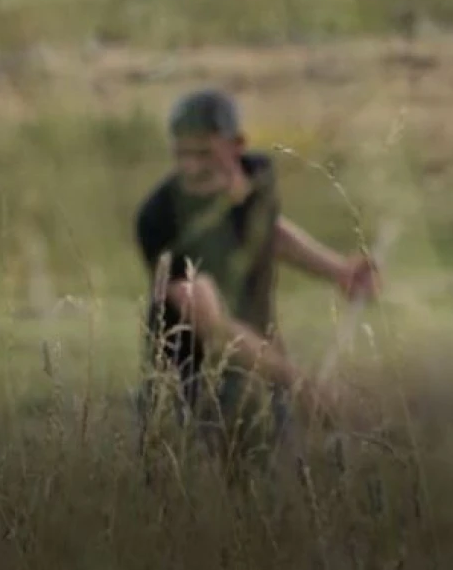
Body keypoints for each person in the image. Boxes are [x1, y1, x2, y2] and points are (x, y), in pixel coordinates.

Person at [133, 89, 379, 475]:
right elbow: (211, 327)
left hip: (263, 360)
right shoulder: (160, 218)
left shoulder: (258, 176)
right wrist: (302, 386)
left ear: (236, 146)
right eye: (183, 154)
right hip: (194, 380)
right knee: (207, 494)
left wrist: (338, 270)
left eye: (204, 154)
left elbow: (267, 232)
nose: (192, 167)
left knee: (283, 487)